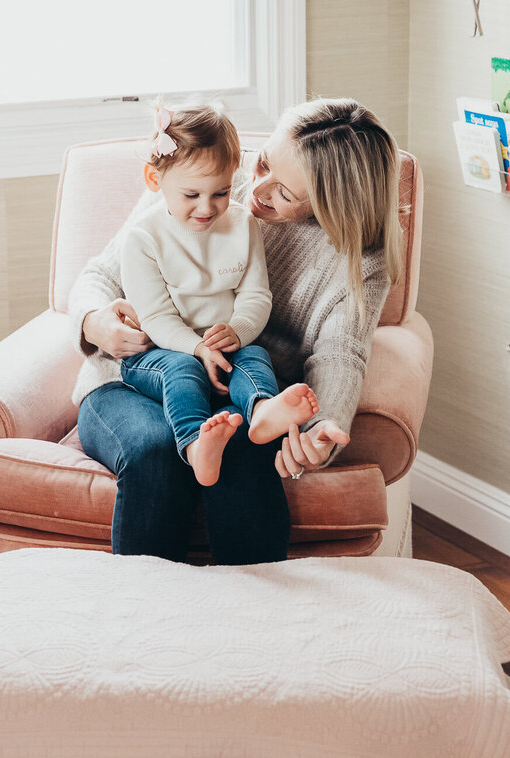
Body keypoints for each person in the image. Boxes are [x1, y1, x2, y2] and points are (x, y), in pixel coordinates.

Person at [68, 98, 403, 564]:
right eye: (263, 161)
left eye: (284, 193)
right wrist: (95, 322)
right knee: (155, 453)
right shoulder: (200, 176)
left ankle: (255, 616)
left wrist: (319, 431)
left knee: (242, 453)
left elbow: (340, 354)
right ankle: (143, 613)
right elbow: (98, 276)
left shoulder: (357, 264)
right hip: (131, 380)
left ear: (330, 206)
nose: (256, 189)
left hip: (236, 388)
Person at [119, 103, 319, 488]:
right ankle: (196, 445)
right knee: (183, 370)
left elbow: (256, 295)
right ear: (154, 179)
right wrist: (197, 348)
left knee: (255, 356)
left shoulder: (243, 224)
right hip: (161, 352)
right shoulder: (143, 238)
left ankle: (262, 412)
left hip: (224, 344)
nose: (207, 207)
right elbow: (157, 317)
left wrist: (239, 330)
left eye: (221, 192)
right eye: (192, 194)